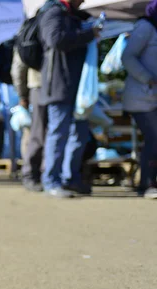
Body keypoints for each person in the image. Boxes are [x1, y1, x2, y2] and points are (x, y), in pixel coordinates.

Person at [38, 0, 101, 198]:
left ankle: (70, 179)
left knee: (79, 134)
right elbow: (55, 40)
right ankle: (51, 181)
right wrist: (89, 34)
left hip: (76, 88)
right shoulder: (53, 13)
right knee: (58, 134)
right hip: (59, 85)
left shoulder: (72, 15)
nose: (83, 1)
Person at [122, 0, 157, 199]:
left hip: (153, 97)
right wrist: (147, 78)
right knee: (154, 137)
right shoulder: (145, 27)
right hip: (141, 97)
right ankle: (146, 183)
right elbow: (127, 57)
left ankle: (149, 181)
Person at [11, 42, 46, 192]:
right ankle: (33, 174)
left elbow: (18, 69)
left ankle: (31, 174)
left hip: (35, 86)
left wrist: (22, 94)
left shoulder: (28, 31)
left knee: (33, 134)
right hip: (40, 85)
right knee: (36, 134)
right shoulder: (32, 32)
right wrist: (23, 95)